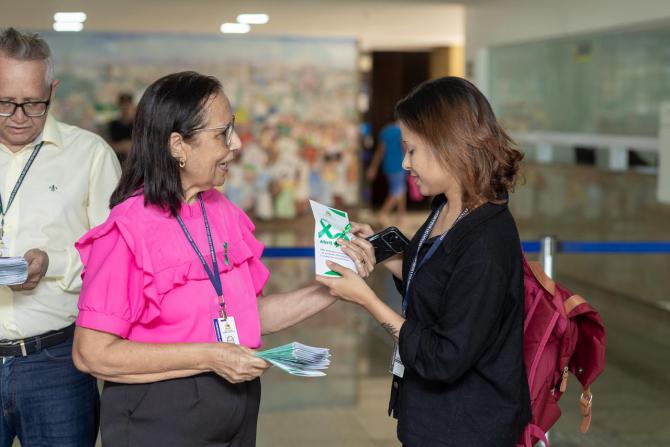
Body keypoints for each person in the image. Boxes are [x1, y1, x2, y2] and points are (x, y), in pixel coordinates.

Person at [71, 71, 376, 447]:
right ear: (177, 145)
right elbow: (91, 354)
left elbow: (249, 314)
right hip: (162, 417)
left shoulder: (220, 210)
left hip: (235, 406)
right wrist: (209, 356)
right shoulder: (127, 230)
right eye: (221, 134)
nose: (235, 145)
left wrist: (334, 284)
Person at [318, 77, 531, 446]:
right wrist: (379, 251)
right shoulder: (446, 207)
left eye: (412, 150)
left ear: (448, 147)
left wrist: (367, 300)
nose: (404, 163)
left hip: (469, 427)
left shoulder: (486, 242)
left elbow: (445, 357)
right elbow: (437, 280)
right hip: (431, 415)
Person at [0, 28, 121, 446]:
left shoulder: (89, 155)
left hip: (57, 364)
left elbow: (116, 258)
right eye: (4, 103)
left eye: (33, 103)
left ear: (52, 90)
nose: (18, 116)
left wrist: (54, 264)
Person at [366, 120, 407, 226]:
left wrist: (373, 167)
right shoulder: (402, 131)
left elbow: (380, 151)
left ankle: (401, 216)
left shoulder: (385, 131)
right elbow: (404, 148)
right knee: (397, 190)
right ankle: (383, 213)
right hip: (400, 164)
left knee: (401, 189)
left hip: (388, 165)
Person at [107, 92, 135, 164]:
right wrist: (124, 146)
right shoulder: (113, 125)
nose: (125, 108)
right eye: (123, 106)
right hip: (117, 161)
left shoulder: (138, 124)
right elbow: (108, 145)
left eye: (127, 106)